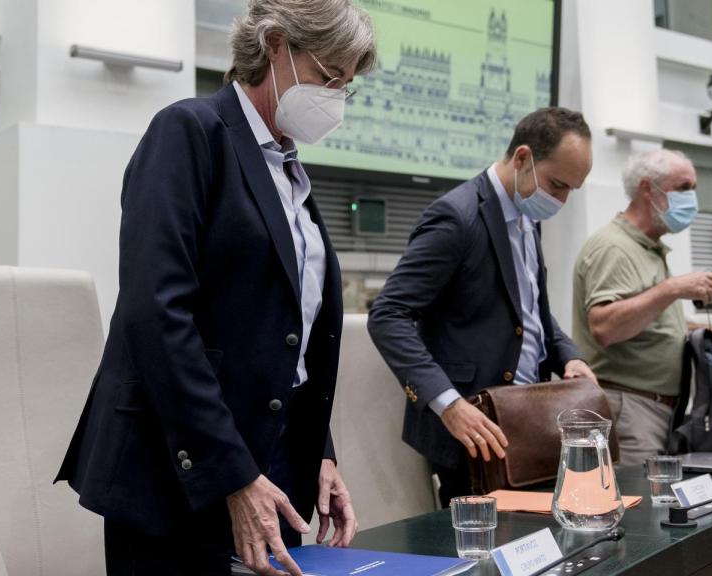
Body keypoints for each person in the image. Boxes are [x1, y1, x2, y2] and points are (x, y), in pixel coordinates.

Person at [54, 2, 376, 574]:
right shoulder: (189, 131)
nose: (334, 99)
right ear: (275, 45)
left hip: (270, 464)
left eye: (344, 87)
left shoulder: (288, 169)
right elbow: (157, 314)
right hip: (179, 469)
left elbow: (285, 335)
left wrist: (319, 453)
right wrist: (233, 474)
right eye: (328, 76)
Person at [367, 107, 596, 507]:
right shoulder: (457, 217)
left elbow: (531, 311)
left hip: (527, 422)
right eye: (557, 185)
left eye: (571, 191)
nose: (561, 200)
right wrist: (448, 403)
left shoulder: (528, 217)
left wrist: (569, 356)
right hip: (470, 431)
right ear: (522, 158)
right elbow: (388, 315)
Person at [571, 149, 712, 466]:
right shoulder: (613, 247)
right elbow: (605, 327)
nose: (692, 198)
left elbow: (652, 322)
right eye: (683, 187)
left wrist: (711, 328)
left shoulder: (648, 248)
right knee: (639, 496)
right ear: (647, 188)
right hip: (630, 408)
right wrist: (673, 289)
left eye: (693, 188)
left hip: (657, 409)